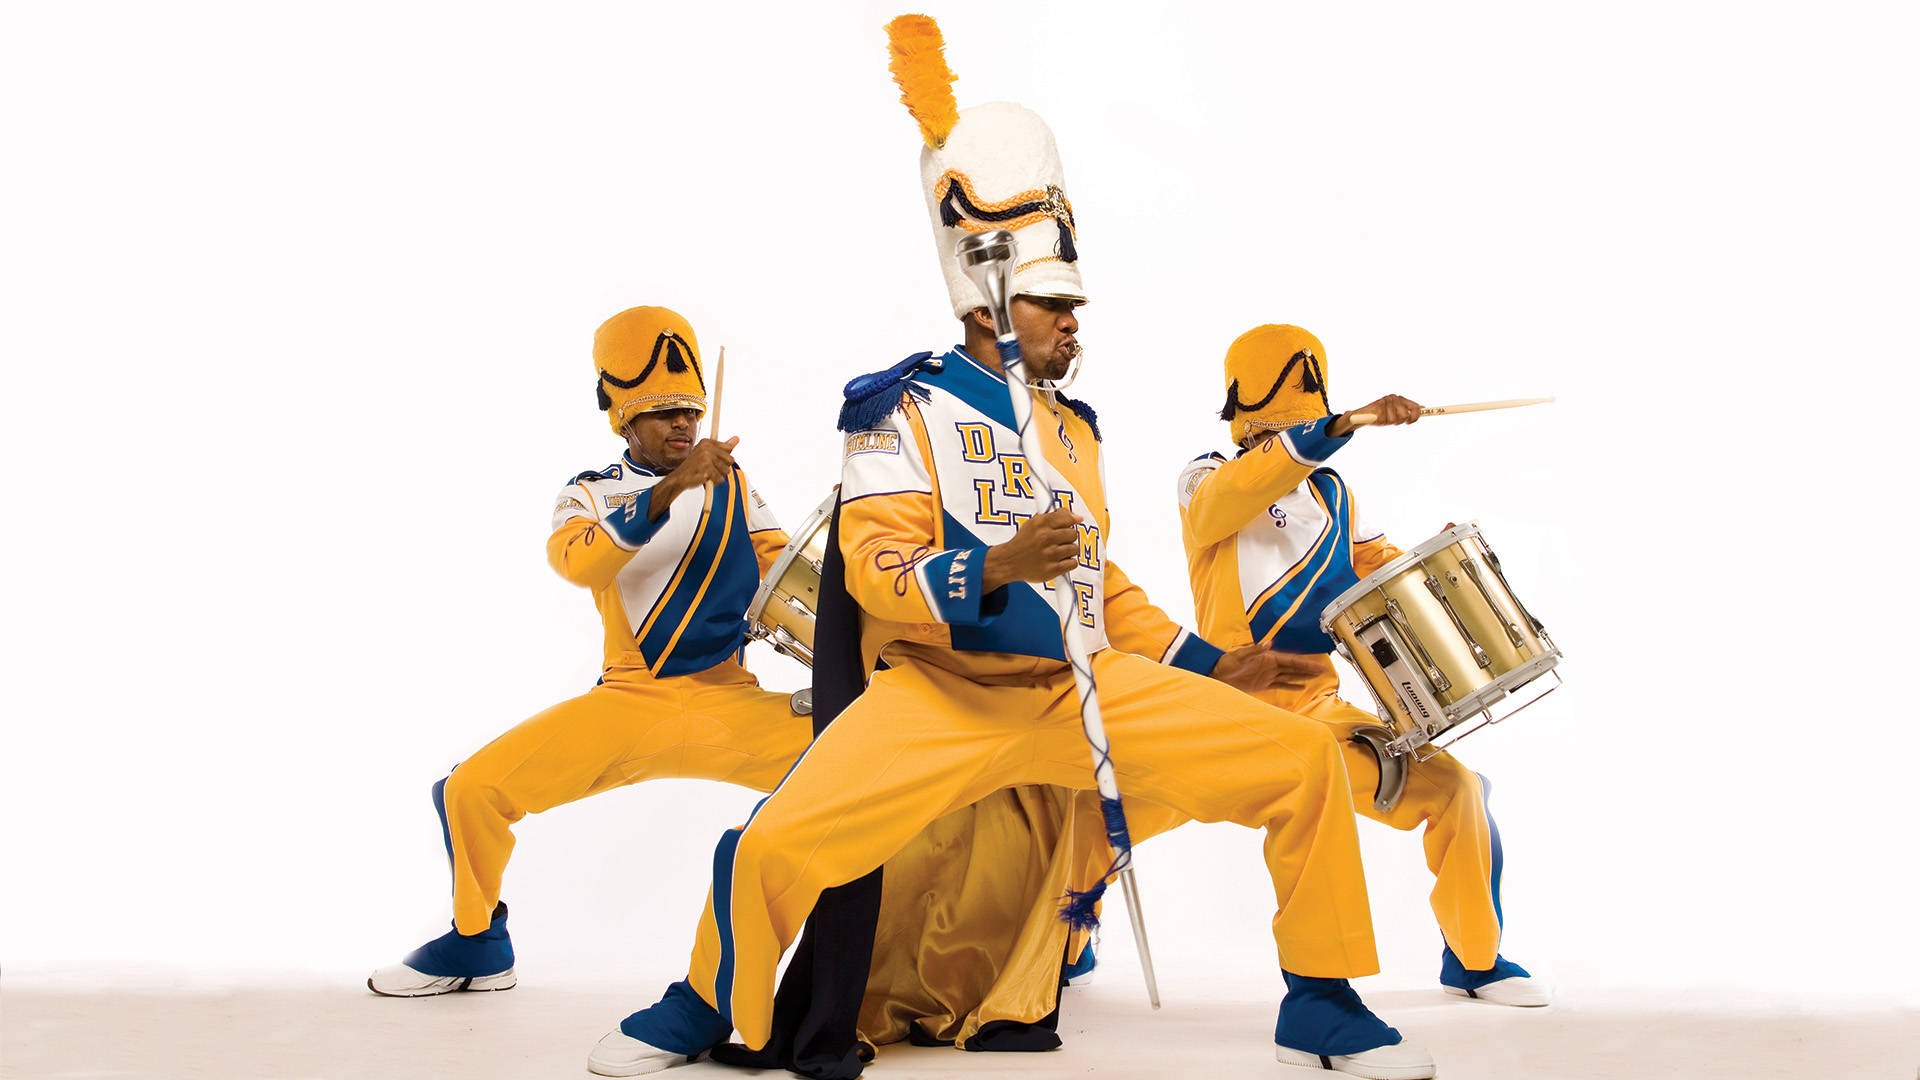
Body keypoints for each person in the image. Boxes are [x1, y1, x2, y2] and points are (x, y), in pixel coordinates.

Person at [585, 19, 1437, 1079]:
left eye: (1075, 303)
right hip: (940, 694)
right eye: (1053, 303)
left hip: (1081, 689)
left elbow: (1099, 584)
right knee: (776, 841)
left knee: (1301, 762)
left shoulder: (1076, 430)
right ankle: (705, 1004)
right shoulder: (899, 409)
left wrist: (1217, 665)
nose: (1073, 321)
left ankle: (1320, 1000)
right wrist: (992, 566)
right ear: (989, 301)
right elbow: (876, 569)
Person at [367, 305, 812, 996]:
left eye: (689, 411)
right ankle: (478, 942)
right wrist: (672, 488)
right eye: (662, 413)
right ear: (624, 421)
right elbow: (577, 563)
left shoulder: (735, 485)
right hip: (630, 703)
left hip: (732, 703)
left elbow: (786, 574)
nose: (682, 425)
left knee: (882, 764)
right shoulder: (590, 492)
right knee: (468, 789)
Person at [1175, 322, 1550, 1009]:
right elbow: (1221, 505)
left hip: (1316, 715)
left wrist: (1435, 564)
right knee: (1094, 817)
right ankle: (1065, 946)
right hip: (1220, 718)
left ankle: (1476, 960)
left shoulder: (1334, 494)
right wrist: (1343, 424)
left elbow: (1377, 572)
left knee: (1458, 790)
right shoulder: (1204, 475)